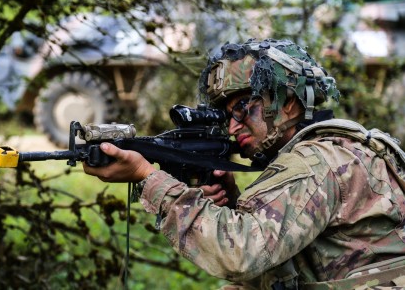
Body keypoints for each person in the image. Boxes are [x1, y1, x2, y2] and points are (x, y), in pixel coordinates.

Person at [83, 38, 405, 289]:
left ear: (289, 104)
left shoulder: (312, 163)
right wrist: (236, 202)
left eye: (243, 108)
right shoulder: (335, 148)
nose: (234, 126)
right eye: (228, 116)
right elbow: (301, 245)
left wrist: (147, 177)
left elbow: (241, 254)